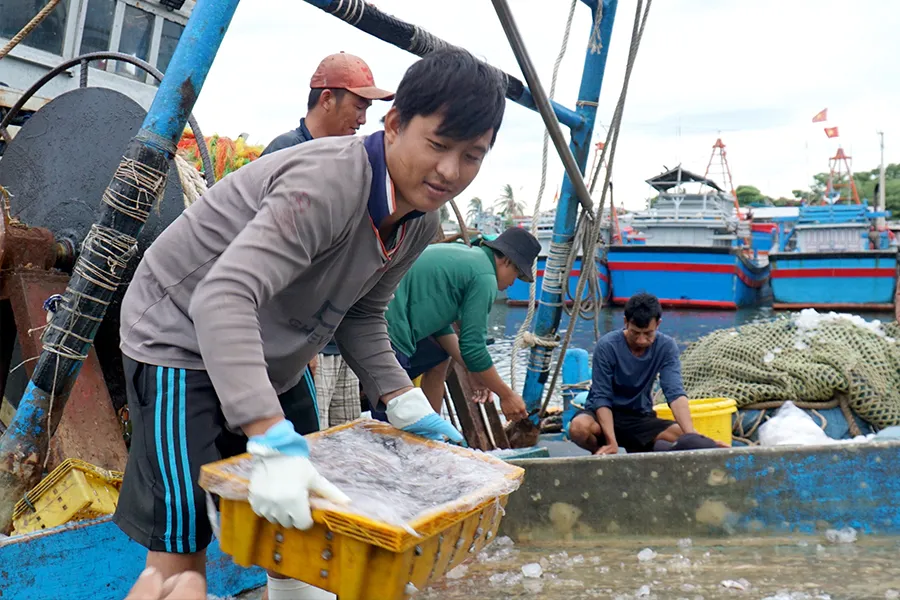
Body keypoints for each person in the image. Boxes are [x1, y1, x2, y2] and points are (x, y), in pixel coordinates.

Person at [114, 48, 507, 600]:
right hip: (179, 336)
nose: (450, 171)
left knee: (308, 524)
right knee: (181, 551)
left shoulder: (420, 219)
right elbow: (222, 298)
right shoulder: (329, 182)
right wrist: (268, 436)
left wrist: (402, 399)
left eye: (472, 156)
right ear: (393, 124)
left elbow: (364, 313)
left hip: (272, 349)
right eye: (438, 146)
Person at [261, 52, 395, 429]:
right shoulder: (286, 152)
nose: (364, 119)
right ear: (326, 99)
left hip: (324, 338)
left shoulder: (350, 163)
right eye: (358, 105)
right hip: (282, 340)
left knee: (332, 434)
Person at [383, 228, 539, 421]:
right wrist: (507, 395)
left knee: (438, 355)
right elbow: (473, 347)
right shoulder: (485, 277)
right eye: (517, 274)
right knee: (391, 429)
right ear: (507, 261)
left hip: (379, 321)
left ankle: (430, 430)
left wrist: (475, 371)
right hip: (390, 333)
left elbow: (440, 326)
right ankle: (421, 433)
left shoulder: (465, 257)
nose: (514, 283)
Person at [568, 292, 723, 455]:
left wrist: (694, 439)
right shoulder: (607, 346)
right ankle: (601, 452)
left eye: (648, 334)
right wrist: (611, 442)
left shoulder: (666, 347)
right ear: (626, 322)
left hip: (639, 417)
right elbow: (601, 397)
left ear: (658, 324)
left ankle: (641, 447)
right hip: (603, 415)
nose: (641, 340)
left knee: (685, 436)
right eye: (635, 333)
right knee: (579, 428)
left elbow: (675, 393)